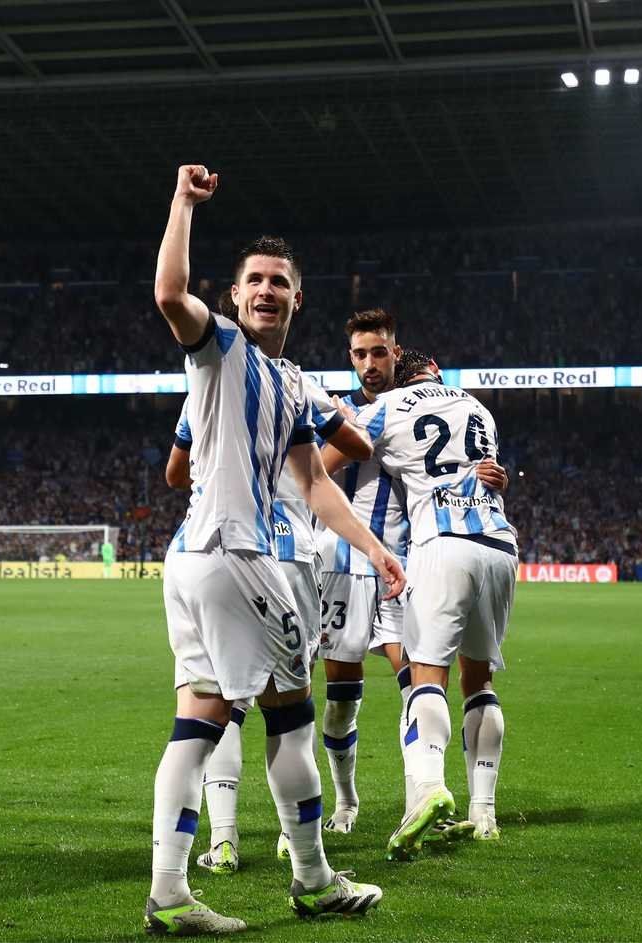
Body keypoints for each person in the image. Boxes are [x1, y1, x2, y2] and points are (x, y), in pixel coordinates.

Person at [144, 164, 399, 934]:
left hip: (194, 561)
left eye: (278, 282)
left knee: (197, 719)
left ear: (296, 297)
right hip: (237, 555)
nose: (265, 290)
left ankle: (168, 895)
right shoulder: (218, 346)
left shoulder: (287, 382)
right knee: (291, 717)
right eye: (253, 279)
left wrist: (375, 546)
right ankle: (314, 879)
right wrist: (184, 204)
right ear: (234, 295)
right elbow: (166, 294)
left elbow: (315, 482)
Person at [165, 369, 373, 874]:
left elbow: (175, 473)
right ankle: (296, 846)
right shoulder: (297, 385)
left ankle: (221, 842)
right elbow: (357, 446)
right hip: (286, 546)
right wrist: (340, 417)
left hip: (203, 546)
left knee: (212, 708)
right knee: (289, 711)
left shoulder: (207, 385)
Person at [336, 350, 516, 859]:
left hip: (440, 544)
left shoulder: (388, 405)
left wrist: (340, 418)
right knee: (478, 680)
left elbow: (327, 462)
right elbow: (485, 472)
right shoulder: (479, 407)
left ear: (400, 372)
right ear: (436, 368)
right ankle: (484, 813)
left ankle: (430, 789)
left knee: (426, 676)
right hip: (500, 547)